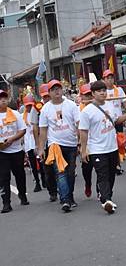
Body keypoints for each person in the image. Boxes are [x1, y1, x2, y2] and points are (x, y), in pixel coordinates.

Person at [79, 81, 126, 214]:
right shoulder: (87, 111)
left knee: (111, 174)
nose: (103, 93)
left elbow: (116, 120)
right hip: (97, 149)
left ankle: (107, 196)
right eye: (99, 91)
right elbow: (83, 131)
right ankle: (106, 200)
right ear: (93, 94)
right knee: (103, 175)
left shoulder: (110, 105)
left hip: (112, 147)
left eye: (104, 90)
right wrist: (84, 150)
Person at [38, 79, 80, 213]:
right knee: (60, 173)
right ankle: (66, 200)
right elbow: (43, 130)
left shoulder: (71, 105)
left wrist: (81, 142)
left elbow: (79, 124)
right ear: (49, 92)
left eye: (58, 88)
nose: (57, 91)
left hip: (71, 144)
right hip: (55, 145)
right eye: (53, 89)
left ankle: (69, 195)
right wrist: (40, 148)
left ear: (62, 90)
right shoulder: (45, 109)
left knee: (71, 173)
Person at [0, 89, 29, 213]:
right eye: (1, 98)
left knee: (20, 175)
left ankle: (22, 195)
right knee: (3, 177)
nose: (3, 100)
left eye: (4, 97)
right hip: (2, 152)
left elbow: (22, 130)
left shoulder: (15, 114)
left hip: (16, 150)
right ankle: (6, 203)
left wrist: (11, 139)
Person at [102, 70, 126, 169]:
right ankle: (115, 164)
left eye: (111, 78)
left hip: (119, 119)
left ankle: (118, 161)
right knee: (111, 141)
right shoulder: (102, 91)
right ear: (103, 80)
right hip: (107, 121)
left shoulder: (119, 90)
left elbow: (125, 102)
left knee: (119, 141)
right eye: (107, 78)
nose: (110, 80)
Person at [34, 84, 56, 201]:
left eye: (48, 96)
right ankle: (52, 192)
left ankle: (63, 190)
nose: (46, 98)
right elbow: (35, 128)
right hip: (45, 143)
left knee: (61, 169)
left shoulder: (57, 105)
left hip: (56, 142)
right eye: (44, 97)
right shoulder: (37, 108)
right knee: (48, 170)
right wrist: (38, 146)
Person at [22, 94, 45, 192]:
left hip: (38, 142)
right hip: (29, 144)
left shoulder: (38, 112)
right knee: (33, 166)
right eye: (27, 105)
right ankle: (37, 182)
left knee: (42, 162)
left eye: (30, 105)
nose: (29, 107)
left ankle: (44, 180)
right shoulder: (22, 116)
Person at [78, 84, 96, 198]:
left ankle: (101, 191)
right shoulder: (77, 110)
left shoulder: (98, 107)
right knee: (87, 169)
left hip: (98, 143)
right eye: (86, 95)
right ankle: (88, 184)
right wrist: (79, 144)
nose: (88, 98)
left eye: (90, 95)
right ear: (81, 97)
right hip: (85, 144)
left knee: (101, 169)